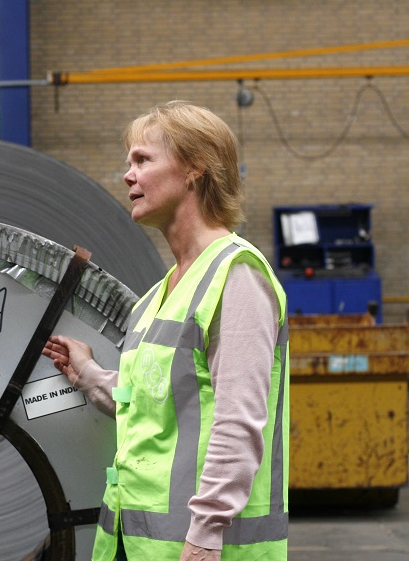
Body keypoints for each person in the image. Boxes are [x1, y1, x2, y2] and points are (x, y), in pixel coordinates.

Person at [43, 101, 289, 560]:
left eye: (142, 160)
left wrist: (205, 535)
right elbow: (155, 402)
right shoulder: (157, 295)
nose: (127, 175)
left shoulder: (236, 277)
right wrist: (91, 376)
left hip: (196, 548)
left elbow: (238, 421)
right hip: (133, 542)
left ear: (195, 169)